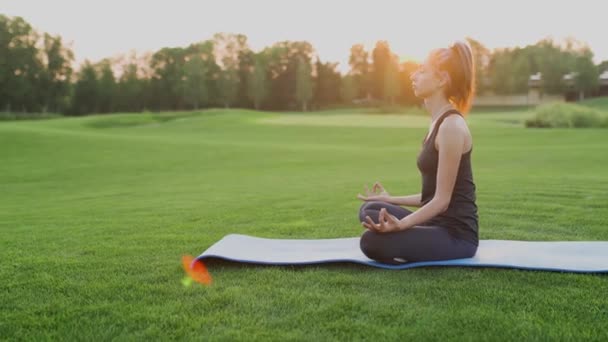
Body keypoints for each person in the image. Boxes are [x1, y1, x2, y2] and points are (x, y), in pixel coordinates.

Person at [357, 41, 478, 264]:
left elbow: (442, 201)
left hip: (456, 235)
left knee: (370, 242)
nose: (413, 76)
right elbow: (429, 197)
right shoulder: (437, 122)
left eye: (422, 71)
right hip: (434, 223)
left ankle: (410, 240)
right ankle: (412, 237)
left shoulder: (451, 127)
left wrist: (401, 225)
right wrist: (389, 198)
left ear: (442, 79)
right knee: (370, 209)